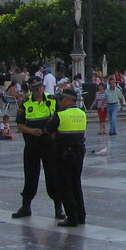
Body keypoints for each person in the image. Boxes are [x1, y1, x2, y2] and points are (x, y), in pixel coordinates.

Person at [12, 77, 62, 220]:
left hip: (49, 144)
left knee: (53, 175)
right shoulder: (26, 103)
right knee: (30, 176)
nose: (37, 91)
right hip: (32, 144)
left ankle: (58, 207)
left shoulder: (52, 100)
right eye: (34, 89)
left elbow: (60, 118)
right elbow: (19, 125)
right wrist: (31, 131)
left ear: (43, 88)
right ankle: (26, 206)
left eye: (39, 88)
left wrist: (54, 133)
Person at [45, 87, 87, 227]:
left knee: (65, 185)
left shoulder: (61, 115)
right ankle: (81, 215)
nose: (58, 102)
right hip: (79, 152)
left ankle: (72, 217)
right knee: (76, 183)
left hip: (64, 153)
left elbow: (48, 129)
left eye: (60, 99)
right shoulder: (82, 113)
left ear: (68, 100)